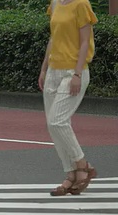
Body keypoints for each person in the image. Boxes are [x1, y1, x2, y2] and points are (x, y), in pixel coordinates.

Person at [40, 0, 98, 196]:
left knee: (58, 121)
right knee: (52, 126)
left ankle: (82, 164)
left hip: (72, 72)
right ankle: (71, 174)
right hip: (53, 72)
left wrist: (78, 74)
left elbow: (84, 42)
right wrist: (44, 68)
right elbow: (53, 38)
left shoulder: (81, 4)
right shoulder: (55, 3)